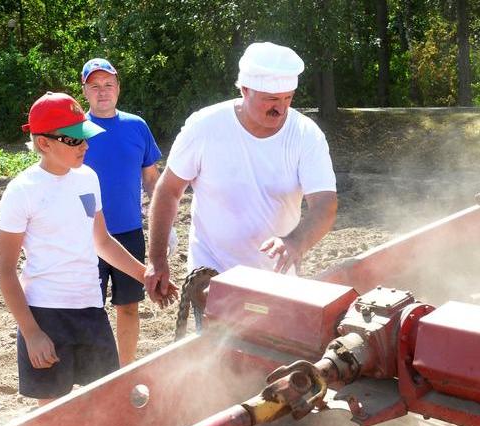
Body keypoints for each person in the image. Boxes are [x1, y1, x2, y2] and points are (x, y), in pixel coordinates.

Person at [0, 92, 176, 406]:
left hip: (91, 309)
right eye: (75, 140)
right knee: (51, 414)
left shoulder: (88, 178)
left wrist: (145, 273)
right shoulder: (22, 191)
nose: (85, 146)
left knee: (105, 403)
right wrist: (31, 332)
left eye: (85, 138)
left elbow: (101, 241)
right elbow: (4, 268)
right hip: (45, 314)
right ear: (44, 143)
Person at [145, 42, 338, 304]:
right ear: (245, 89)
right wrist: (157, 260)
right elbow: (168, 190)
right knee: (216, 342)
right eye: (271, 99)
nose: (280, 109)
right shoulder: (205, 127)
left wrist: (295, 242)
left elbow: (325, 204)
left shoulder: (306, 135)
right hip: (212, 276)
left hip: (277, 280)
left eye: (287, 98)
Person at [80, 58, 165, 366]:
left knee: (129, 306)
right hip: (87, 236)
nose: (102, 92)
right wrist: (90, 218)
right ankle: (95, 377)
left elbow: (152, 180)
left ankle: (125, 370)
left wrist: (163, 229)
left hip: (129, 232)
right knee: (90, 310)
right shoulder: (77, 131)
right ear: (85, 91)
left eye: (108, 85)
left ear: (118, 88)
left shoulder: (136, 126)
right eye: (95, 86)